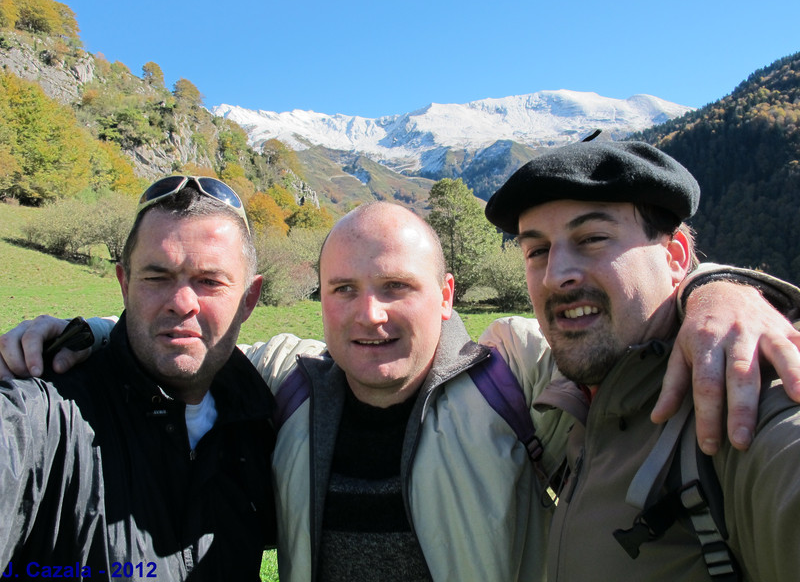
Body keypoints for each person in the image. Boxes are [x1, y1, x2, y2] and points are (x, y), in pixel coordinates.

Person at [3, 202, 800, 581]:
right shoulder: (289, 381)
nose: (369, 316)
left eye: (397, 287)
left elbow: (623, 332)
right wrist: (84, 330)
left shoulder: (514, 370)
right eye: (342, 289)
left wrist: (715, 287)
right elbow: (189, 333)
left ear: (448, 293)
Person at [482, 140, 800, 581]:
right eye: (537, 251)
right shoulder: (573, 395)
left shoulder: (745, 398)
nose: (556, 274)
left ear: (675, 259)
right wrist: (718, 285)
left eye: (592, 238)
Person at [0, 176, 276, 580]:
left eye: (209, 281)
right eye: (156, 277)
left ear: (249, 299)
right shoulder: (43, 416)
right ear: (125, 284)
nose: (182, 303)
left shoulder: (261, 422)